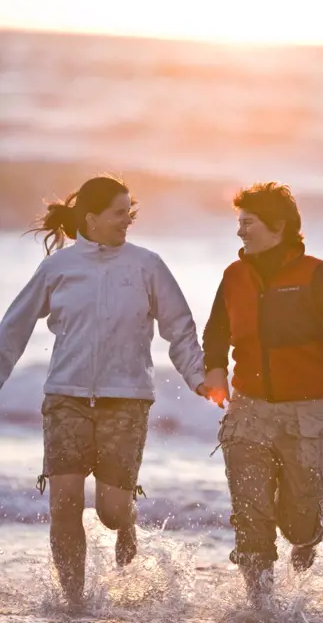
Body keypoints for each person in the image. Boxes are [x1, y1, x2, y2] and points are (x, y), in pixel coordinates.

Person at [0, 175, 207, 607]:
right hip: (65, 397)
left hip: (126, 400)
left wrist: (199, 377)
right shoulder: (58, 268)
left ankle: (127, 523)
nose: (126, 220)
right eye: (118, 213)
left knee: (111, 513)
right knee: (65, 504)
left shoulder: (147, 265)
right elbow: (13, 329)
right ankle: (73, 600)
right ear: (90, 218)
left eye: (129, 212)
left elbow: (180, 329)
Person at [203, 182, 323, 606]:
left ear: (278, 226)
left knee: (297, 523)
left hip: (310, 416)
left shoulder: (314, 274)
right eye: (239, 222)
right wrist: (214, 373)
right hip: (248, 411)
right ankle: (261, 607)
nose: (240, 231)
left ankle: (306, 536)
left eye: (248, 223)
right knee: (251, 516)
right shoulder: (234, 275)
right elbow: (216, 331)